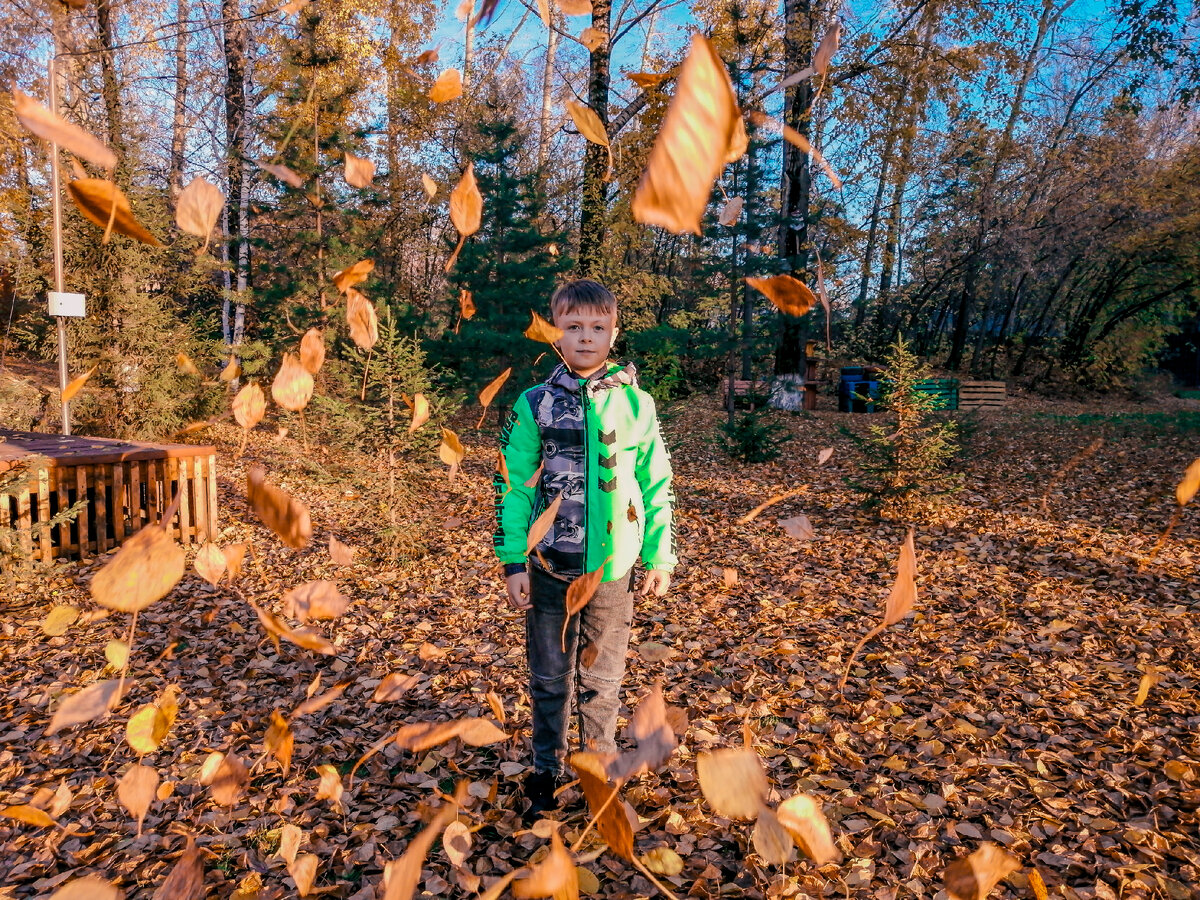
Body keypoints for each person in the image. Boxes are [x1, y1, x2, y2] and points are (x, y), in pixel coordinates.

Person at [493, 278, 677, 820]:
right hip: (549, 566)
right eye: (573, 327)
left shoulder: (636, 404)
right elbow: (514, 484)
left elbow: (655, 482)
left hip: (612, 570)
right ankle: (546, 771)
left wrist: (659, 555)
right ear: (556, 334)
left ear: (613, 334)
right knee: (550, 678)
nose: (586, 337)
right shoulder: (534, 404)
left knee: (602, 679)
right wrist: (513, 560)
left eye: (598, 327)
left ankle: (598, 770)